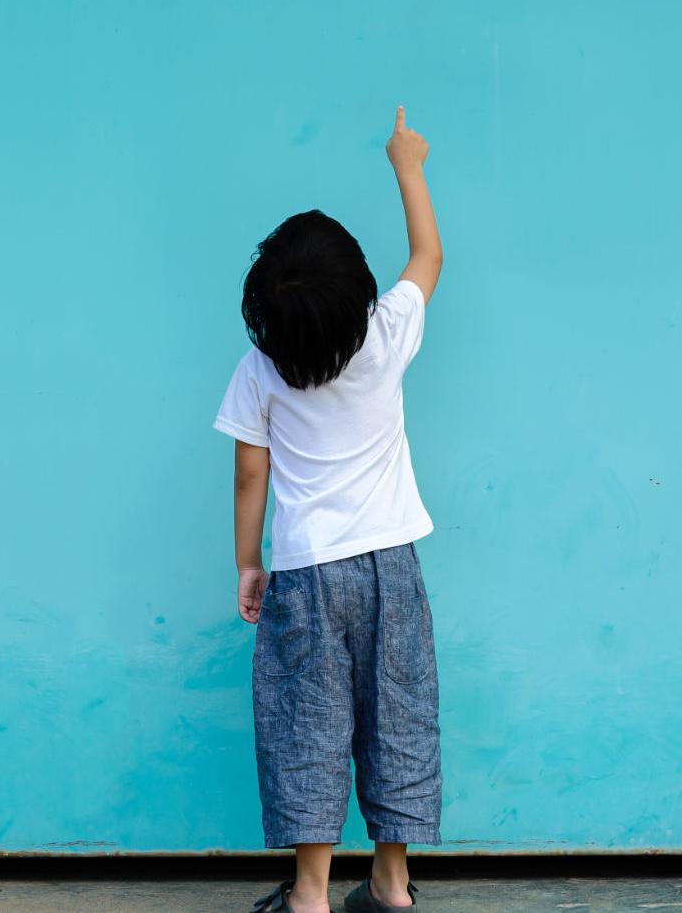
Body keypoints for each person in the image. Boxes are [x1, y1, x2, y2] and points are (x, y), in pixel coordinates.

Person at [220, 107, 443, 912]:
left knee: (305, 726)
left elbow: (252, 475)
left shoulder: (260, 369)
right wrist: (406, 163)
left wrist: (250, 562)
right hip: (393, 567)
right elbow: (428, 255)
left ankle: (310, 894)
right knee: (399, 714)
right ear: (357, 293)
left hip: (308, 573)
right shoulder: (385, 335)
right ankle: (389, 883)